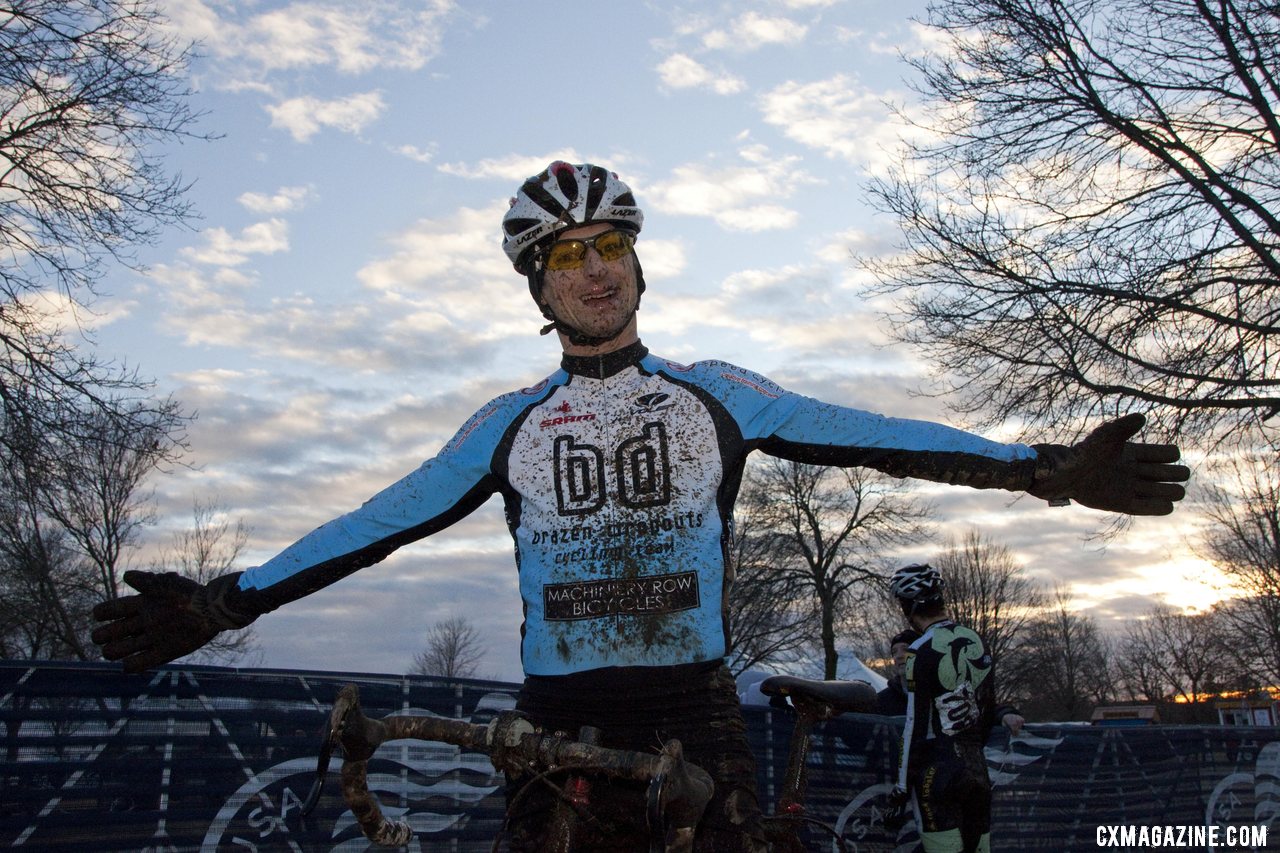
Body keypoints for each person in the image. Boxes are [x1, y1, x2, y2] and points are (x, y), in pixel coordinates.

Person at [91, 162, 1189, 851]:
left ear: (639, 265)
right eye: (564, 256)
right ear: (538, 287)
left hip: (697, 712)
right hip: (559, 721)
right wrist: (227, 601)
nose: (593, 268)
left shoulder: (718, 393)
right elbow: (380, 519)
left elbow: (882, 432)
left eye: (609, 246)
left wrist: (1039, 466)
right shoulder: (505, 423)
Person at [885, 563, 1009, 853]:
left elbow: (914, 724)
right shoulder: (978, 641)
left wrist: (901, 787)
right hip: (977, 769)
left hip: (938, 771)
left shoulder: (920, 650)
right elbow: (987, 708)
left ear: (908, 606)